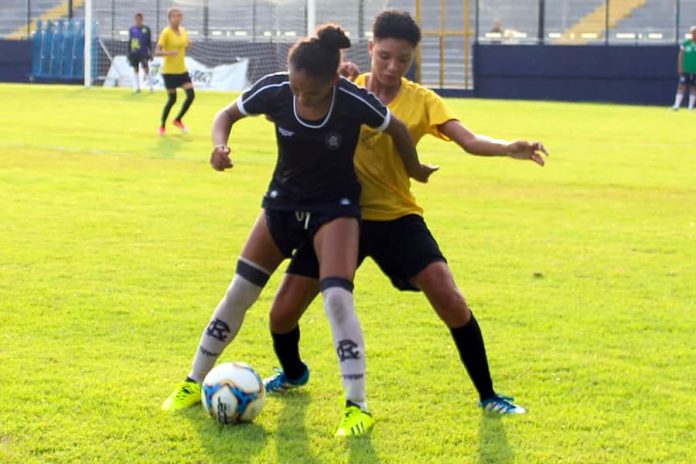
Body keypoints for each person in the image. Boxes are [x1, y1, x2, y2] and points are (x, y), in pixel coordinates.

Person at [263, 9, 548, 417]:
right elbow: (297, 99)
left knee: (448, 295)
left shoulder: (422, 101)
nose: (393, 67)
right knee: (282, 314)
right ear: (371, 48)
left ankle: (489, 395)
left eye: (403, 59)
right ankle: (293, 373)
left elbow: (466, 139)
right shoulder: (343, 86)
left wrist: (507, 147)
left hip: (396, 217)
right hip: (337, 218)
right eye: (385, 57)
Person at [161, 24, 436, 437]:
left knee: (337, 299)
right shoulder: (277, 88)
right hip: (282, 205)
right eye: (294, 88)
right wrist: (219, 146)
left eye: (310, 92)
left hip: (335, 209)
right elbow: (226, 115)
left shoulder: (351, 100)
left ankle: (357, 407)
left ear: (332, 81)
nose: (299, 96)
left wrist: (415, 169)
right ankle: (192, 380)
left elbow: (396, 128)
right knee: (239, 292)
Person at [155, 8, 194, 135]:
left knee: (191, 95)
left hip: (182, 70)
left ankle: (178, 120)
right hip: (169, 72)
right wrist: (168, 52)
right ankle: (162, 126)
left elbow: (187, 44)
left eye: (179, 16)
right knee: (172, 100)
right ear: (169, 18)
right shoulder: (166, 33)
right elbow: (157, 51)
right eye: (174, 16)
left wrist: (189, 44)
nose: (177, 18)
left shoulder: (183, 31)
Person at [127, 13, 153, 93]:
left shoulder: (146, 29)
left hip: (143, 52)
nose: (138, 21)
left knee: (146, 69)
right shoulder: (132, 29)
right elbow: (130, 41)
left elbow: (149, 42)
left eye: (140, 19)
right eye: (137, 19)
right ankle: (137, 88)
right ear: (135, 19)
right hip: (134, 53)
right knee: (135, 69)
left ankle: (151, 87)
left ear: (142, 19)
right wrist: (128, 52)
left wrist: (150, 53)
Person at [672, 26, 696, 111]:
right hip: (686, 69)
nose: (694, 34)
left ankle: (691, 107)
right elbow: (681, 55)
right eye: (693, 32)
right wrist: (680, 67)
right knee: (681, 86)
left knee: (694, 87)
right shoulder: (686, 43)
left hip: (695, 70)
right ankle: (676, 105)